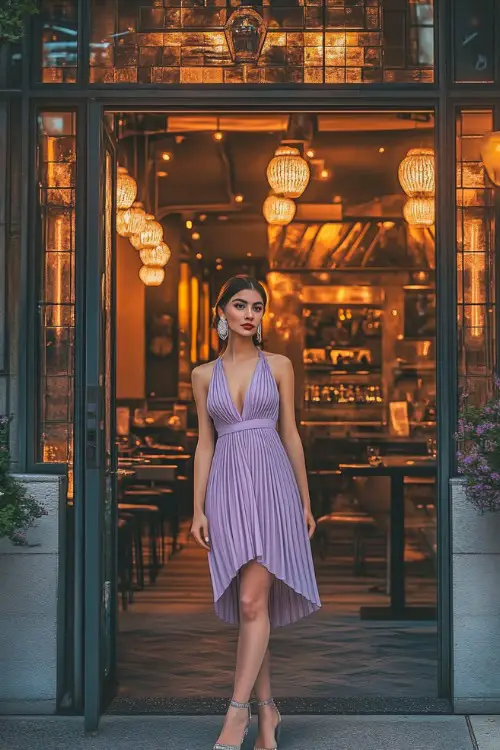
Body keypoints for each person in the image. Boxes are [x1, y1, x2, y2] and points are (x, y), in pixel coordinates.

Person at [190, 274, 321, 750]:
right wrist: (197, 508)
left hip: (273, 488)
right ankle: (268, 715)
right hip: (226, 490)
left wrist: (305, 501)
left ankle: (236, 713)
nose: (250, 314)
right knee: (254, 607)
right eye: (240, 305)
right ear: (220, 313)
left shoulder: (281, 365)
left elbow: (291, 435)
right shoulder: (202, 375)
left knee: (250, 603)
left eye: (258, 307)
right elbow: (204, 444)